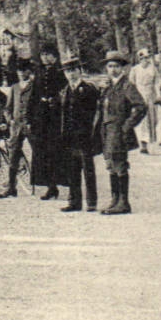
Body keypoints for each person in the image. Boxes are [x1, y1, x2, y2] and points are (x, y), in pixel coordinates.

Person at [97, 51, 146, 215]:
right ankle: (115, 199)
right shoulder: (108, 86)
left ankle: (124, 202)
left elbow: (140, 106)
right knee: (110, 164)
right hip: (107, 129)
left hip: (118, 130)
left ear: (123, 68)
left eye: (116, 66)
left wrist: (127, 126)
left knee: (119, 164)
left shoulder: (127, 86)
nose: (113, 70)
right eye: (110, 66)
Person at [58, 56, 102, 211]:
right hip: (69, 137)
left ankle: (91, 202)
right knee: (72, 170)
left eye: (73, 70)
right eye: (67, 71)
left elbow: (95, 113)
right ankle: (74, 201)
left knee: (88, 170)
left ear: (80, 71)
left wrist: (91, 132)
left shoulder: (89, 89)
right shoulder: (65, 91)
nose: (71, 74)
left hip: (84, 136)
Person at [29, 43, 68, 200]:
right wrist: (30, 117)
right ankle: (50, 186)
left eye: (48, 54)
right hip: (41, 117)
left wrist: (55, 100)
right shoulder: (39, 73)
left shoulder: (61, 72)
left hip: (55, 117)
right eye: (42, 55)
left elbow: (66, 92)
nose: (45, 58)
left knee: (55, 151)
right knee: (42, 151)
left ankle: (60, 183)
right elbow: (33, 95)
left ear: (55, 56)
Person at [0, 58, 33, 198]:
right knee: (13, 156)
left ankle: (49, 187)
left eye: (24, 70)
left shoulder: (35, 86)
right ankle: (12, 187)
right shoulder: (15, 87)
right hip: (16, 127)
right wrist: (10, 120)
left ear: (29, 71)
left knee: (39, 153)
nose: (21, 73)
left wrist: (34, 121)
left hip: (31, 126)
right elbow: (7, 108)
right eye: (19, 71)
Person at [130, 48, 160, 151]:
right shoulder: (135, 69)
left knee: (153, 119)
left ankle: (150, 140)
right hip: (139, 95)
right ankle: (143, 144)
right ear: (140, 59)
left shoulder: (153, 69)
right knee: (142, 120)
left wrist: (158, 95)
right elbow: (131, 84)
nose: (146, 60)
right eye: (144, 58)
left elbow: (157, 83)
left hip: (150, 95)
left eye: (147, 58)